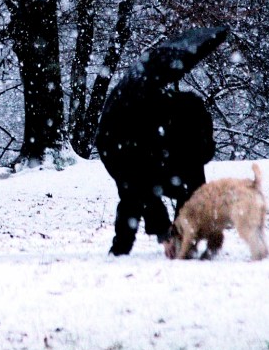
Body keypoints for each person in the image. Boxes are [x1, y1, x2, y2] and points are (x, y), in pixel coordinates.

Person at [95, 26, 227, 256]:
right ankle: (142, 244)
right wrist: (166, 230)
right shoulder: (153, 112)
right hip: (121, 145)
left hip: (119, 142)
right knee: (136, 193)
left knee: (137, 193)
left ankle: (130, 247)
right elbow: (146, 184)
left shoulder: (157, 103)